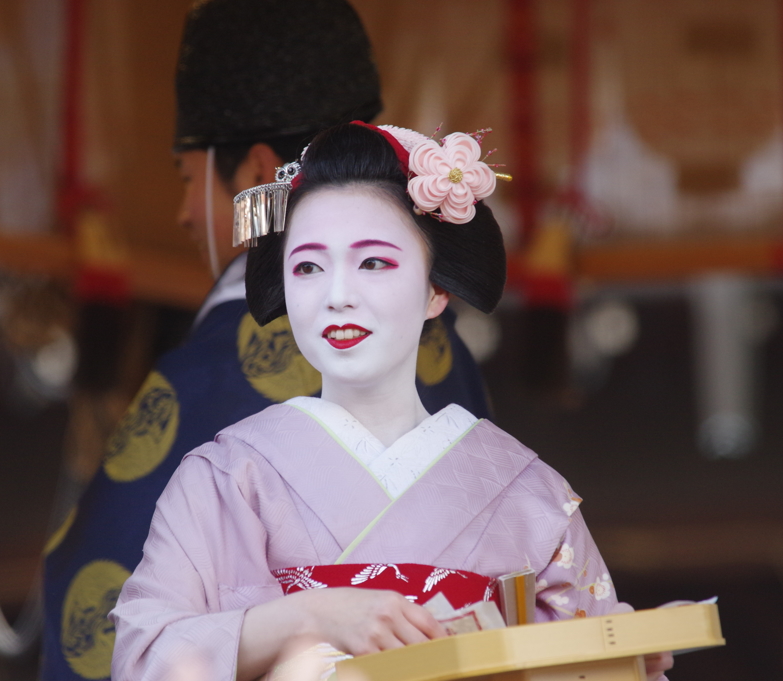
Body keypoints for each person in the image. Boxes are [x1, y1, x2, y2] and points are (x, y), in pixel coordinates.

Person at [109, 122, 674, 681]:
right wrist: (310, 616)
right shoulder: (226, 477)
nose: (337, 296)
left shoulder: (527, 494)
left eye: (373, 262)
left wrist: (625, 661)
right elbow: (144, 658)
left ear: (436, 288)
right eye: (307, 267)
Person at [40, 2, 491, 679]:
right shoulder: (440, 344)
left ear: (254, 172)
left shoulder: (210, 378)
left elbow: (101, 605)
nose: (184, 213)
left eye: (187, 178)